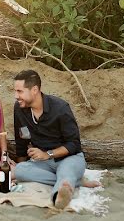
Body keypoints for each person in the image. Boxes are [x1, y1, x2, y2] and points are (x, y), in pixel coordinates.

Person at [12, 69, 86, 209]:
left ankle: (58, 198)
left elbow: (74, 144)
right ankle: (75, 181)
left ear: (34, 90)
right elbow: (20, 141)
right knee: (20, 170)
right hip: (44, 163)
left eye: (20, 91)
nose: (16, 96)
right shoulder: (20, 108)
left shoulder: (60, 108)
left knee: (66, 171)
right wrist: (21, 166)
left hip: (69, 158)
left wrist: (47, 154)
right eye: (15, 91)